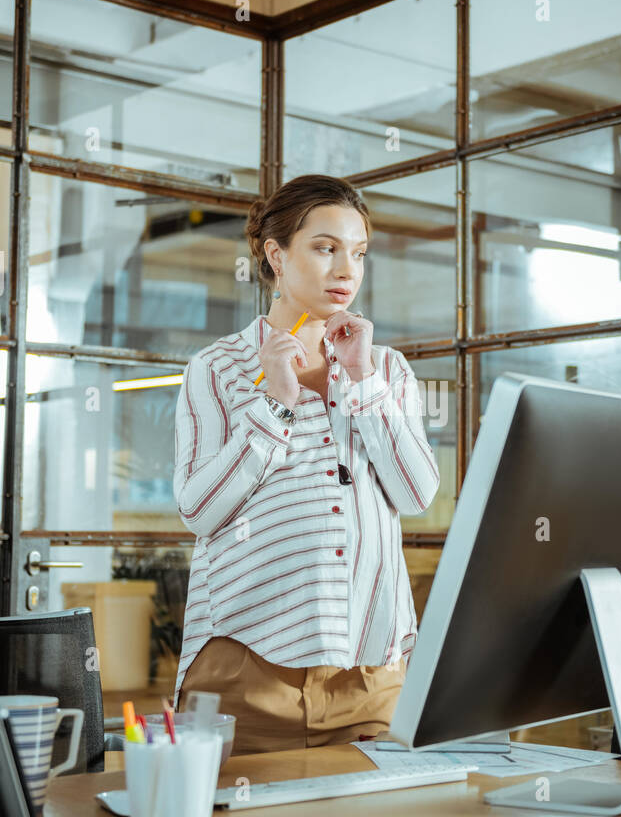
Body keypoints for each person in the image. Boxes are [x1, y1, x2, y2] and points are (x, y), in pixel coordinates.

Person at [172, 174, 440, 753]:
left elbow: (417, 494)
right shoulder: (217, 369)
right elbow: (198, 510)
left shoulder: (386, 369)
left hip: (372, 676)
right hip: (247, 669)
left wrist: (364, 382)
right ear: (275, 254)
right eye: (325, 248)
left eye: (359, 253)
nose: (347, 270)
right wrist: (274, 401)